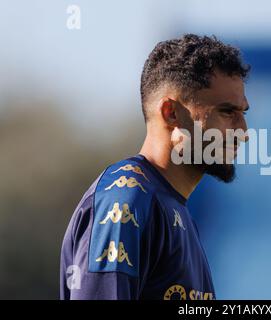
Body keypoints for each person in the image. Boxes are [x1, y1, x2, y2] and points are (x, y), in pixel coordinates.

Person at [60, 34, 250, 300]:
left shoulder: (176, 211)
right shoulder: (126, 201)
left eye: (243, 114)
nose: (243, 132)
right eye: (227, 112)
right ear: (171, 113)